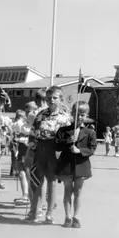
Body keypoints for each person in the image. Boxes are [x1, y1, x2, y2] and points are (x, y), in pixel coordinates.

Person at [25, 86, 72, 224]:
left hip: (55, 150)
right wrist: (31, 149)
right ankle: (35, 210)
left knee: (52, 181)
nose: (51, 100)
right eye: (49, 98)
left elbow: (68, 136)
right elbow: (33, 133)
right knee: (37, 180)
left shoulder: (65, 117)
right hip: (40, 149)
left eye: (55, 98)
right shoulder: (41, 114)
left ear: (60, 99)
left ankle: (49, 214)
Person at [55, 102, 97, 228]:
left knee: (78, 192)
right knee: (67, 191)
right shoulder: (63, 130)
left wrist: (80, 151)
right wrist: (68, 140)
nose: (79, 117)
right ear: (72, 114)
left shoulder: (90, 132)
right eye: (77, 114)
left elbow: (92, 148)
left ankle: (76, 216)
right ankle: (67, 217)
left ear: (86, 115)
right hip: (66, 165)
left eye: (82, 115)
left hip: (81, 165)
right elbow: (56, 145)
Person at [11, 110, 30, 205]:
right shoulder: (20, 123)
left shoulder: (33, 123)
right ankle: (25, 194)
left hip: (29, 149)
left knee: (28, 172)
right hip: (21, 149)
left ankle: (35, 197)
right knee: (22, 172)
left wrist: (20, 138)